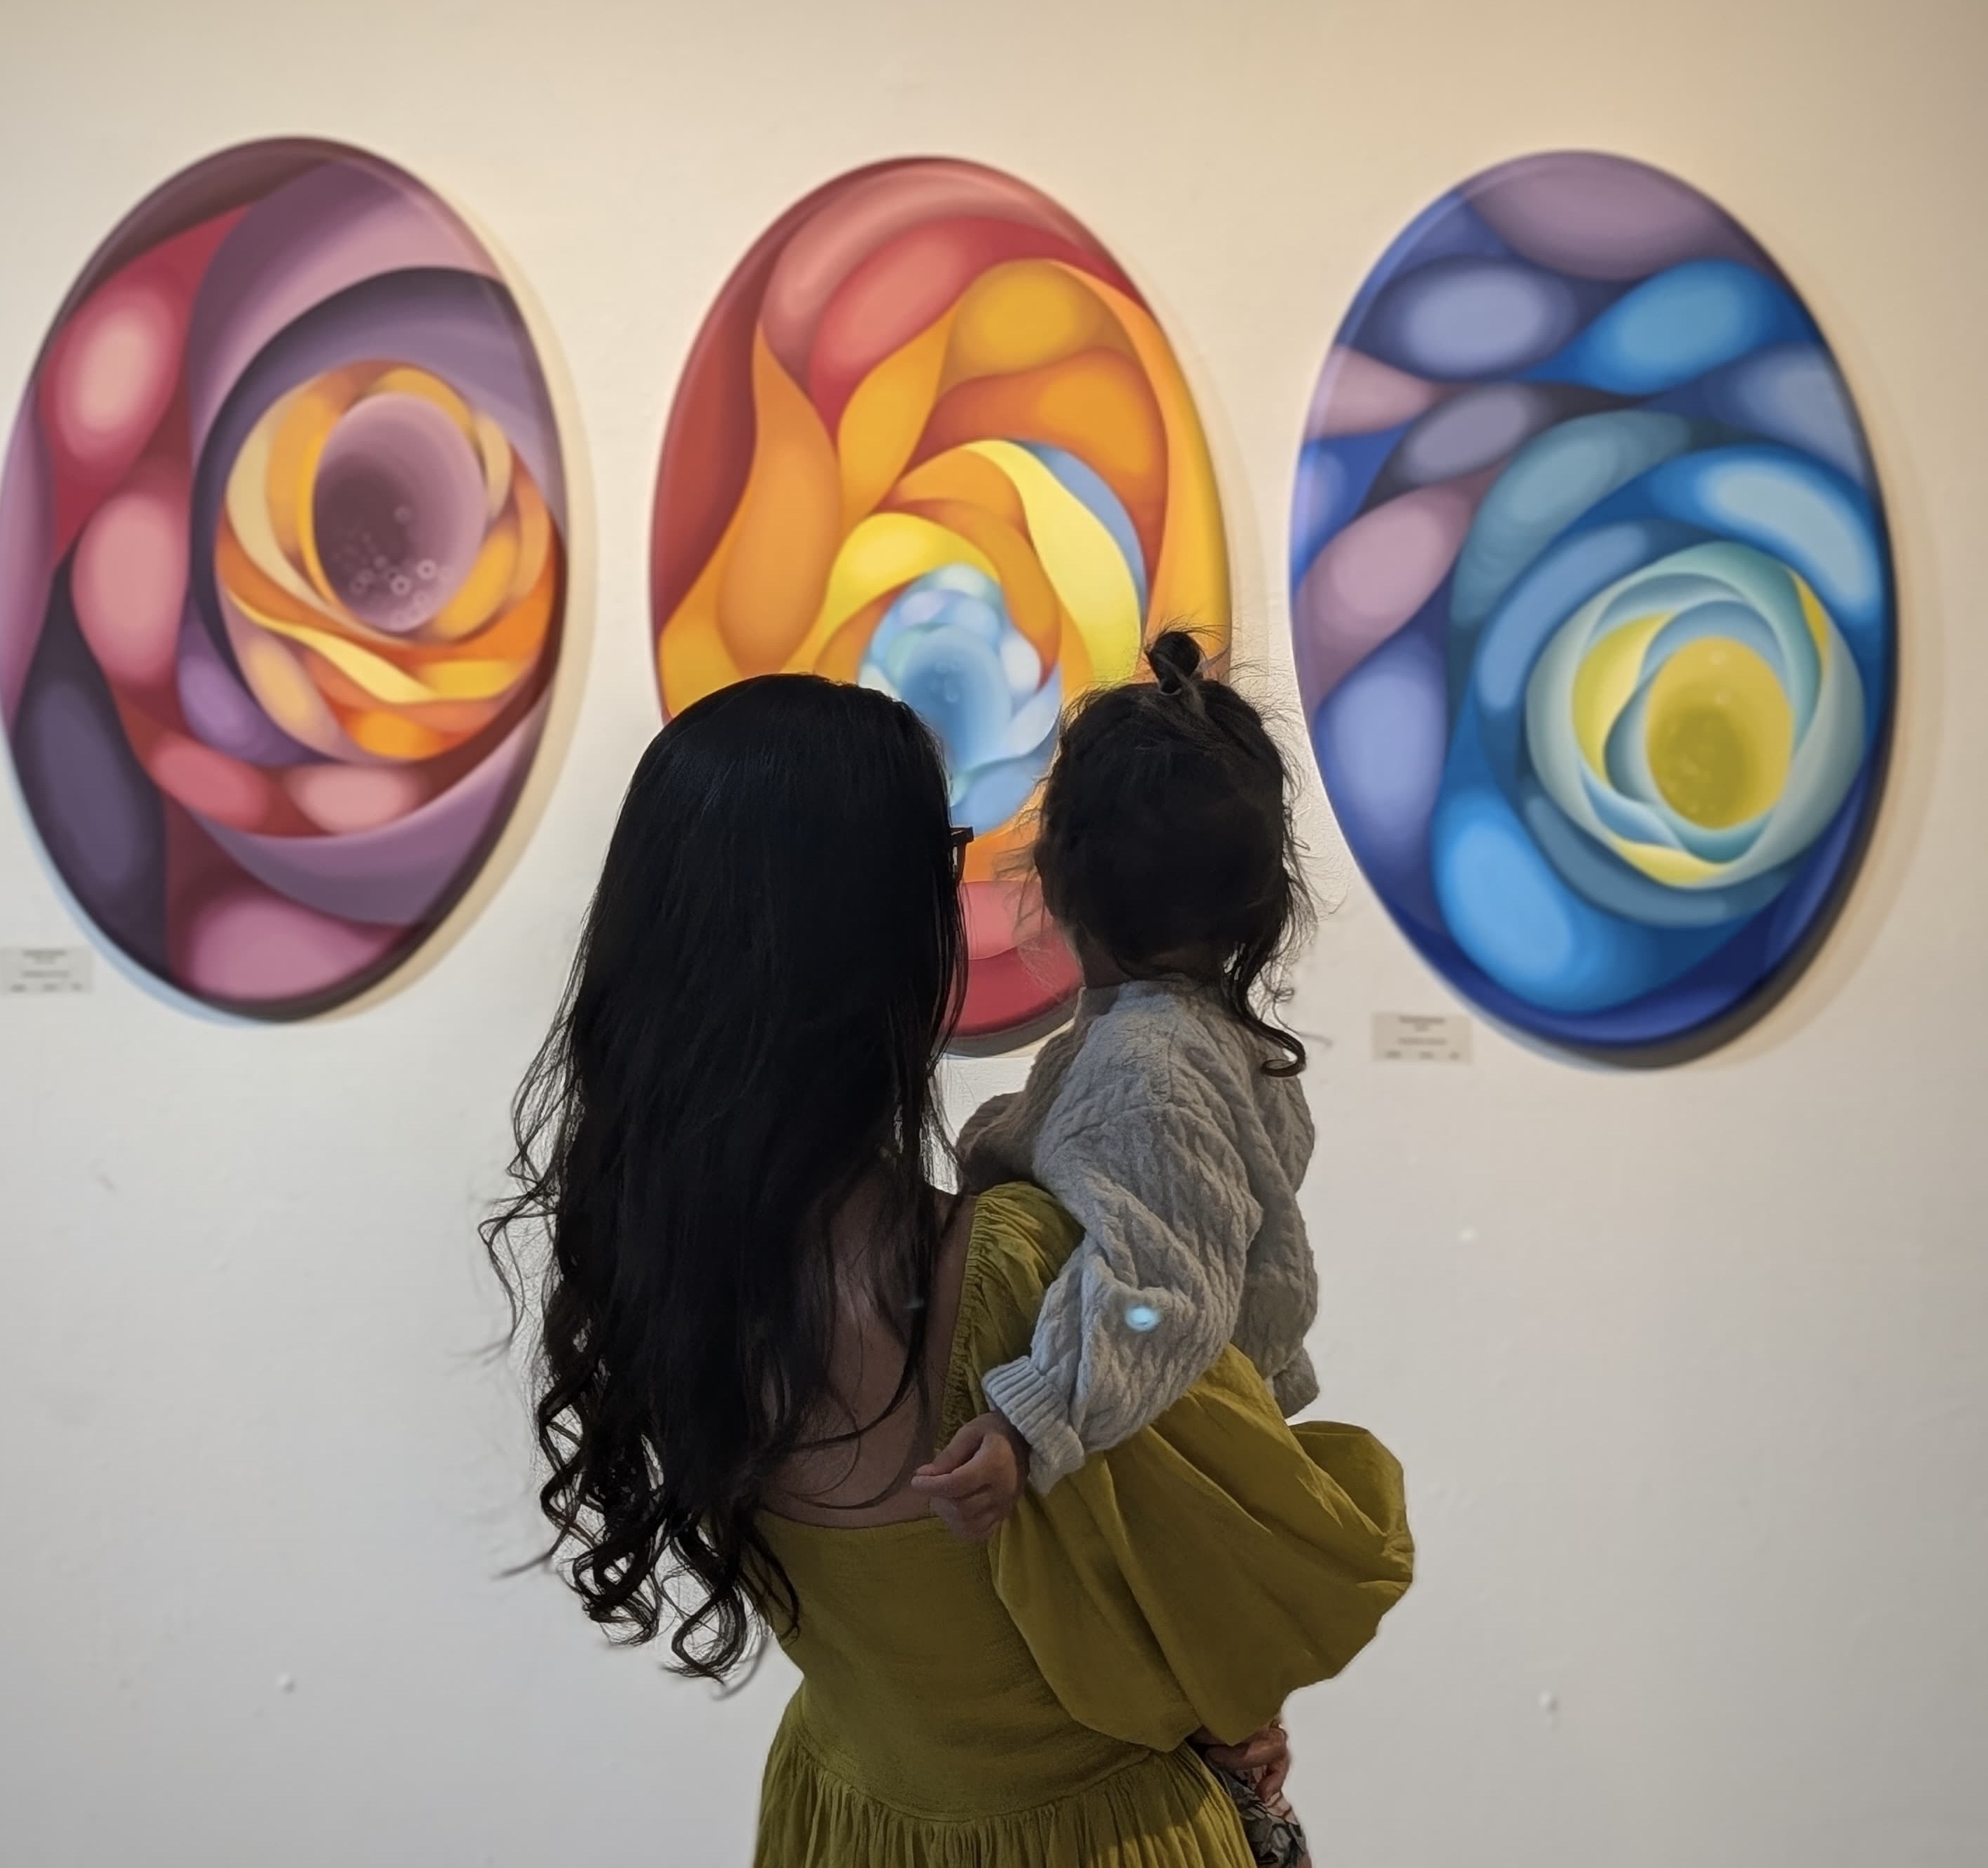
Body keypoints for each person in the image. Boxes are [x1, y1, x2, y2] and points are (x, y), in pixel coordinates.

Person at [484, 672, 1412, 1868]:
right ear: (885, 934)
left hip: (845, 1819)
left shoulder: (652, 1265)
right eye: (949, 860)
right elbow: (1226, 1616)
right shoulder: (1022, 1282)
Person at [912, 631, 1329, 1861]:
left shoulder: (1144, 1066)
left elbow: (1160, 1294)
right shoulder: (1194, 1041)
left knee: (1211, 1762)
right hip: (1207, 1459)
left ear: (1059, 877)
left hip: (1166, 1464)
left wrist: (1033, 1413)